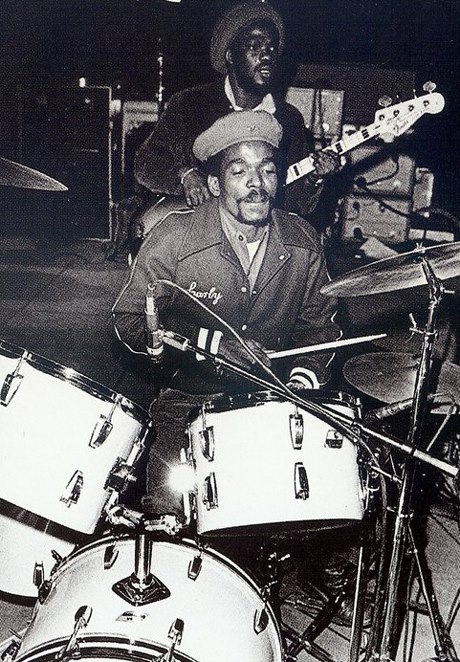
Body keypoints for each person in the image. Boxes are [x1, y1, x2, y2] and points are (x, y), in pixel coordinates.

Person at [113, 109, 340, 517]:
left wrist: (299, 385)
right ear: (216, 184)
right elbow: (130, 320)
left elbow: (319, 330)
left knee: (313, 507)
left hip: (272, 400)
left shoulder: (304, 242)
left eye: (268, 171)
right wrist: (212, 345)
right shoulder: (174, 237)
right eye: (239, 172)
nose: (257, 185)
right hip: (187, 401)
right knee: (169, 513)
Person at [132, 0, 339, 244]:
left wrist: (314, 178)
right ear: (230, 56)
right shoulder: (188, 104)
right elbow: (145, 165)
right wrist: (185, 175)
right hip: (191, 237)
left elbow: (293, 204)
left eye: (272, 48)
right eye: (254, 46)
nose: (266, 55)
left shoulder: (289, 120)